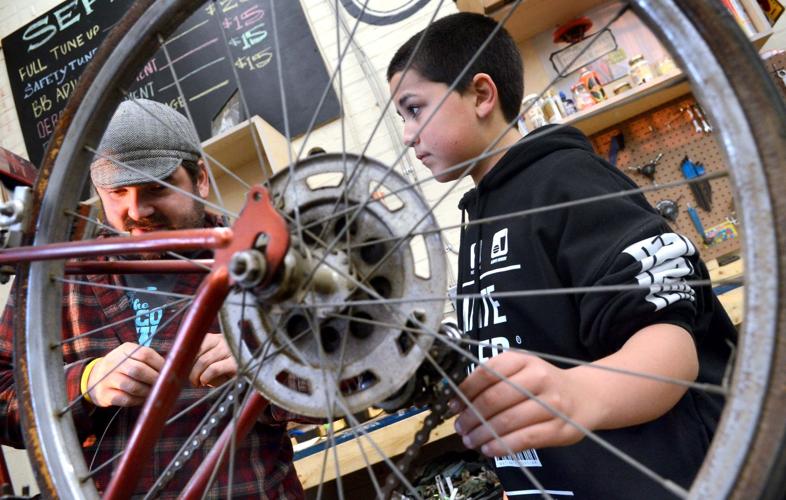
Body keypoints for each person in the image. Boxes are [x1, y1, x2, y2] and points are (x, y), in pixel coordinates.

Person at [387, 13, 734, 498]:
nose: (407, 135)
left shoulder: (565, 182)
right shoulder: (480, 218)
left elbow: (672, 350)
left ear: (482, 95)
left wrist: (575, 395)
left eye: (414, 109)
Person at [0, 98, 304, 498]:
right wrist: (86, 383)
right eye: (117, 191)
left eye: (156, 187)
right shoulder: (57, 276)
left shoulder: (262, 258)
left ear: (201, 179)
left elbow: (347, 380)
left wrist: (265, 363)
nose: (136, 210)